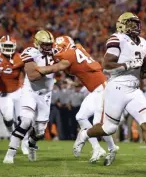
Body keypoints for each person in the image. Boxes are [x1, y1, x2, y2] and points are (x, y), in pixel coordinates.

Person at [72, 12, 146, 171]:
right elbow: (107, 65)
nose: (135, 26)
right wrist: (128, 64)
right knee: (109, 128)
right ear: (121, 25)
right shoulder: (117, 39)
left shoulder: (143, 43)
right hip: (117, 88)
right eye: (130, 23)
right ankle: (85, 134)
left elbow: (139, 73)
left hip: (134, 89)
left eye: (136, 23)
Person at [35, 35, 118, 163]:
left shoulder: (69, 55)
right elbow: (72, 67)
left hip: (102, 90)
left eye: (60, 49)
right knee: (81, 117)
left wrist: (37, 69)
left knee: (98, 125)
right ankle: (97, 148)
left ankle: (112, 148)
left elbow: (55, 68)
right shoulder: (77, 48)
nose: (58, 52)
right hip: (96, 90)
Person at [3, 30, 55, 163]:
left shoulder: (57, 53)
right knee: (26, 121)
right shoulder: (31, 52)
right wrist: (56, 67)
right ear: (37, 43)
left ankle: (31, 145)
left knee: (40, 132)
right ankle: (10, 153)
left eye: (50, 44)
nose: (48, 47)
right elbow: (32, 76)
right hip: (30, 92)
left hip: (46, 95)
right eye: (45, 44)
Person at [0, 35, 29, 154]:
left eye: (10, 45)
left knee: (22, 118)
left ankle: (24, 143)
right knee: (8, 118)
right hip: (2, 91)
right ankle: (12, 134)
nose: (8, 48)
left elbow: (27, 72)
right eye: (6, 45)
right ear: (1, 45)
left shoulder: (19, 57)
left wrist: (25, 85)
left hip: (17, 90)